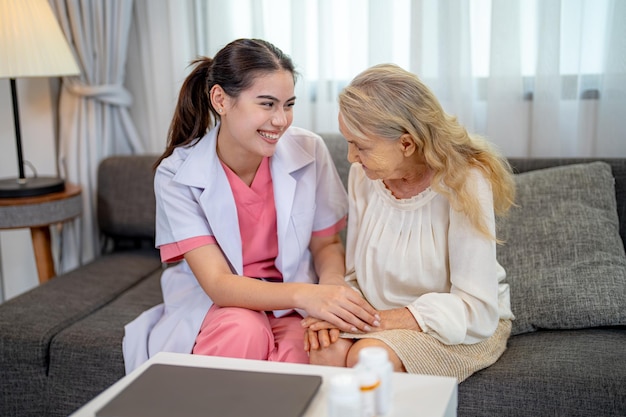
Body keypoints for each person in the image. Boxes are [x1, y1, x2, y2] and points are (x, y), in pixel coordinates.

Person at [122, 38, 379, 373]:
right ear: (221, 100)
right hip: (221, 305)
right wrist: (306, 296)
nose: (281, 120)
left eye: (288, 105)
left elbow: (326, 244)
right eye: (267, 104)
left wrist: (330, 286)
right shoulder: (176, 174)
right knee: (243, 331)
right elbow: (217, 284)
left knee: (308, 352)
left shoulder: (310, 151)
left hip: (293, 305)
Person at [302, 63, 516, 382]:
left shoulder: (466, 181)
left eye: (360, 146)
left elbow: (475, 308)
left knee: (369, 358)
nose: (349, 157)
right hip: (379, 316)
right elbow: (356, 273)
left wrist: (373, 322)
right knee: (325, 348)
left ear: (406, 143)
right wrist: (339, 313)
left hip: (457, 324)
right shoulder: (365, 175)